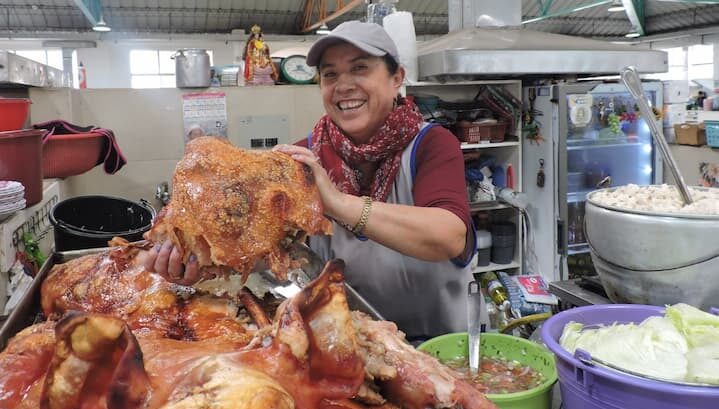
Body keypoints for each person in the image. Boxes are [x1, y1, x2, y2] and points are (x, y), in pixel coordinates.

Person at [144, 21, 475, 341]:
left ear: (396, 78)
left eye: (360, 68)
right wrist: (197, 265)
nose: (343, 85)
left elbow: (448, 237)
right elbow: (265, 254)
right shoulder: (303, 158)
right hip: (346, 343)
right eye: (330, 74)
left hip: (444, 346)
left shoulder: (431, 144)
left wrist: (337, 203)